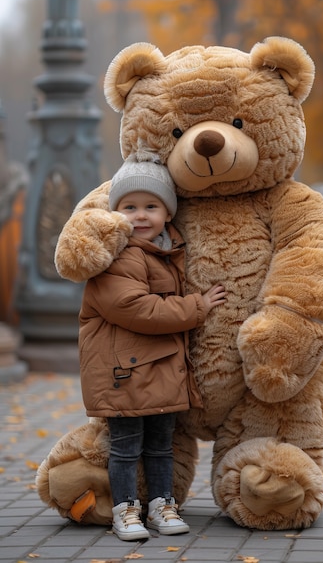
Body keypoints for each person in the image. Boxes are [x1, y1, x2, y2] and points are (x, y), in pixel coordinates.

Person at [78, 152, 226, 541]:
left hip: (158, 371)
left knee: (161, 446)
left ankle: (162, 504)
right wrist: (198, 306)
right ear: (116, 212)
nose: (140, 216)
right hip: (122, 374)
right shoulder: (119, 256)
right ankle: (126, 509)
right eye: (129, 207)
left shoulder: (165, 251)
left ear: (167, 214)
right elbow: (135, 308)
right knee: (126, 448)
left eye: (150, 206)